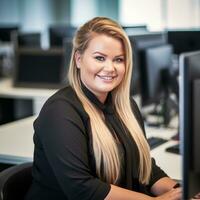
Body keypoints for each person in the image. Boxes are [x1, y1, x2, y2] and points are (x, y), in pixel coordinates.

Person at [25, 17, 182, 200]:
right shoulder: (60, 112)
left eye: (118, 59)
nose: (110, 68)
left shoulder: (126, 106)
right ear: (78, 59)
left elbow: (144, 169)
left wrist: (181, 191)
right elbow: (83, 189)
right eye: (100, 58)